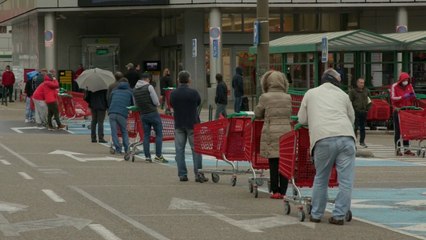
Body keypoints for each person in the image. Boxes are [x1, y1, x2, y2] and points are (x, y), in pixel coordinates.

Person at [298, 68, 356, 225]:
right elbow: (351, 118)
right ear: (337, 82)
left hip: (323, 138)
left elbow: (302, 119)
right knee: (346, 180)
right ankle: (339, 215)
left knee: (321, 177)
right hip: (346, 137)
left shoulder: (311, 93)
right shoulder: (343, 95)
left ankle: (316, 214)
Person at [254, 70, 291, 199]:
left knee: (273, 162)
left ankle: (275, 190)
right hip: (286, 132)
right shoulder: (288, 97)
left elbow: (258, 113)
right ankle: (284, 190)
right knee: (285, 161)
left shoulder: (265, 97)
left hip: (271, 131)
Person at [170, 70, 208, 183]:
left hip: (179, 123)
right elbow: (198, 103)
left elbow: (171, 104)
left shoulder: (174, 94)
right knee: (196, 149)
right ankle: (198, 174)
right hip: (192, 123)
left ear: (178, 80)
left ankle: (182, 174)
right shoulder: (194, 93)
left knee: (179, 149)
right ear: (189, 80)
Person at [133, 72, 168, 163]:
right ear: (147, 79)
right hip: (152, 113)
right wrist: (158, 104)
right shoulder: (149, 87)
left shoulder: (135, 90)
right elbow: (156, 101)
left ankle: (147, 157)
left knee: (146, 135)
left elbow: (135, 103)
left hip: (143, 114)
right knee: (159, 134)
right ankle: (158, 156)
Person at [390, 72, 416, 156]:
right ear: (401, 80)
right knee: (398, 131)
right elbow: (393, 98)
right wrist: (403, 97)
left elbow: (413, 94)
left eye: (407, 80)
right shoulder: (394, 86)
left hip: (407, 111)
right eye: (404, 80)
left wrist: (412, 96)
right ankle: (397, 149)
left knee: (406, 130)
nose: (406, 81)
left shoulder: (409, 86)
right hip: (398, 110)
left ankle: (406, 149)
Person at [108, 79, 134, 159]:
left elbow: (109, 102)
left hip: (112, 113)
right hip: (122, 114)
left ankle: (118, 149)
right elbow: (132, 104)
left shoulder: (114, 91)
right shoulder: (130, 92)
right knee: (124, 132)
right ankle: (126, 149)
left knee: (114, 131)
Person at [349, 77, 370, 148]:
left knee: (362, 127)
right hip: (355, 112)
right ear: (357, 83)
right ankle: (353, 142)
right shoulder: (353, 92)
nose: (362, 84)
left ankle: (362, 141)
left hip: (363, 112)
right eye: (360, 83)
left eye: (363, 83)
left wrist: (367, 109)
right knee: (355, 127)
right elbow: (349, 101)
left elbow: (369, 100)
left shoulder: (366, 91)